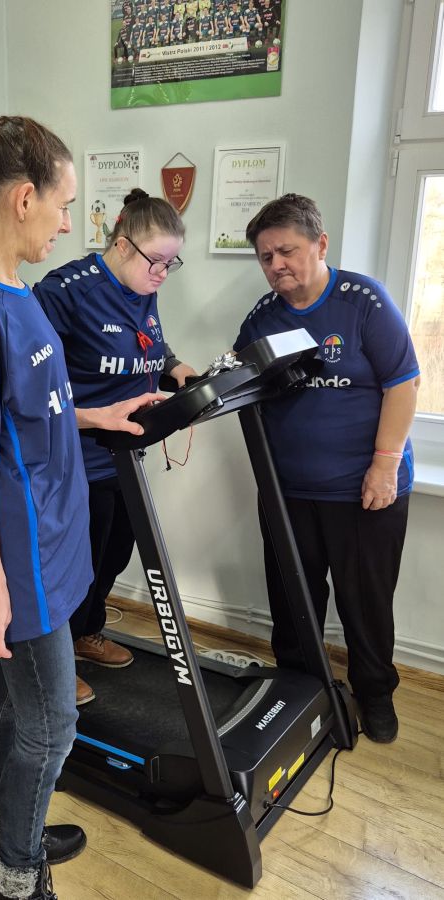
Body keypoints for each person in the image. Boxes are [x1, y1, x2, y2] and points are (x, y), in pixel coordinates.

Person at [0, 116, 159, 900]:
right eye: (64, 205)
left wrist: (100, 414)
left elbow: (29, 411)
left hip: (55, 536)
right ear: (24, 198)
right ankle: (18, 878)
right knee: (53, 723)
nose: (68, 224)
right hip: (20, 554)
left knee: (5, 697)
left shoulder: (15, 291)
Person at [233, 193, 420, 744]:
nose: (276, 265)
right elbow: (238, 382)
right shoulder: (262, 318)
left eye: (286, 251)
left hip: (364, 489)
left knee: (365, 602)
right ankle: (298, 688)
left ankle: (375, 693)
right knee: (293, 599)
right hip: (288, 491)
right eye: (266, 257)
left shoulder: (364, 302)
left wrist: (384, 466)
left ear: (320, 244)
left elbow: (404, 384)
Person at [33, 189, 195, 706]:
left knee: (114, 553)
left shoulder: (141, 285)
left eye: (171, 264)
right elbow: (30, 376)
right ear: (123, 245)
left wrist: (175, 367)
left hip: (125, 455)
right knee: (76, 564)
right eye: (157, 261)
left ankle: (87, 632)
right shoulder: (66, 291)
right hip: (75, 457)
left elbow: (146, 340)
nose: (163, 274)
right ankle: (56, 660)